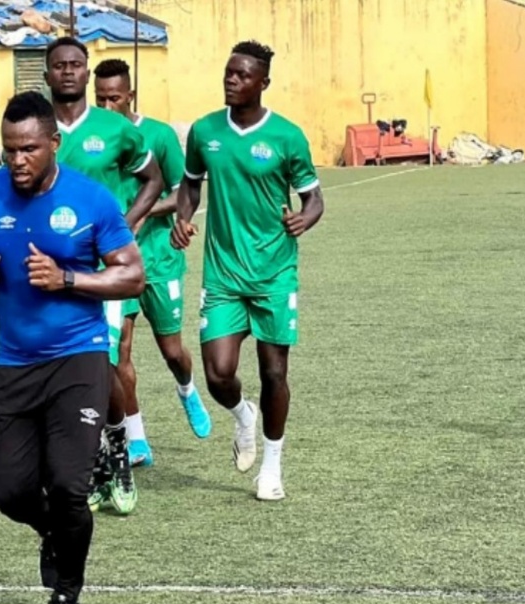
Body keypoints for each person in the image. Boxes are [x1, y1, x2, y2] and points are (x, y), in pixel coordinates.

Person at [0, 91, 144, 604]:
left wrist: (68, 279)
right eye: (11, 150)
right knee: (11, 492)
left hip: (77, 359)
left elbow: (131, 274)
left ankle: (66, 598)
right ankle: (52, 533)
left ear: (54, 144)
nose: (18, 161)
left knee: (69, 485)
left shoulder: (91, 199)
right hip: (14, 362)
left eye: (30, 150)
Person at [172, 40, 324, 501]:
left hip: (274, 272)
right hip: (222, 275)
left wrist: (304, 218)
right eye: (228, 72)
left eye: (241, 75)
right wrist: (182, 217)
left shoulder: (287, 136)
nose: (231, 80)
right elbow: (190, 186)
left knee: (274, 373)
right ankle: (243, 417)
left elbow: (314, 198)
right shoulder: (204, 132)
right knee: (219, 373)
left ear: (263, 83)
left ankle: (272, 468)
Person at [44, 36, 163, 516]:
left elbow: (154, 178)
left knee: (105, 362)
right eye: (59, 65)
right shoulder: (37, 127)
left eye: (76, 64)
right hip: (52, 271)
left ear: (85, 72)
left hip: (108, 270)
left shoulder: (115, 129)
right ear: (48, 73)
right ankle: (98, 452)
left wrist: (128, 223)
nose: (68, 72)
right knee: (65, 368)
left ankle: (117, 449)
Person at [93, 59, 212, 450]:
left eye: (115, 98)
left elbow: (183, 192)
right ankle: (135, 435)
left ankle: (186, 388)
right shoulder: (94, 136)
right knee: (117, 350)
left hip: (159, 258)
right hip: (114, 262)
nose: (108, 107)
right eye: (101, 99)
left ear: (131, 95)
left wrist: (145, 215)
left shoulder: (158, 135)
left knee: (173, 351)